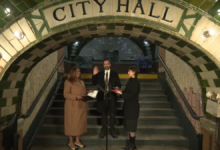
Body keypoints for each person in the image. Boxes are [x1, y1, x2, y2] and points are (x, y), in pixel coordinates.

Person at [64, 66, 93, 150]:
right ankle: (71, 142)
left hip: (81, 105)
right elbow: (65, 94)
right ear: (73, 73)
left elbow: (82, 92)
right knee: (72, 123)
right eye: (77, 72)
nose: (79, 73)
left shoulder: (81, 81)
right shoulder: (68, 82)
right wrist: (76, 96)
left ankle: (77, 140)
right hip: (72, 106)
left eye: (79, 71)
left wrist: (88, 92)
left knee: (80, 123)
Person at [92, 59, 121, 138]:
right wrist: (94, 75)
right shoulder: (100, 74)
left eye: (107, 64)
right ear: (103, 65)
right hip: (102, 98)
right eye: (104, 64)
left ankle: (112, 130)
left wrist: (117, 87)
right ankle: (103, 131)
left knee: (112, 116)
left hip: (112, 98)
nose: (106, 65)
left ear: (110, 64)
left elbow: (119, 84)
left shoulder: (115, 74)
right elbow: (94, 83)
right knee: (103, 116)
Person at [115, 66, 140, 150]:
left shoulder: (136, 82)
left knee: (132, 127)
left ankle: (133, 145)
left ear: (134, 72)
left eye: (129, 71)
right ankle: (130, 144)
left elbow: (132, 95)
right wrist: (120, 91)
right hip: (129, 107)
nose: (128, 72)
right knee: (130, 127)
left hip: (132, 107)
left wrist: (121, 94)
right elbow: (127, 92)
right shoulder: (131, 81)